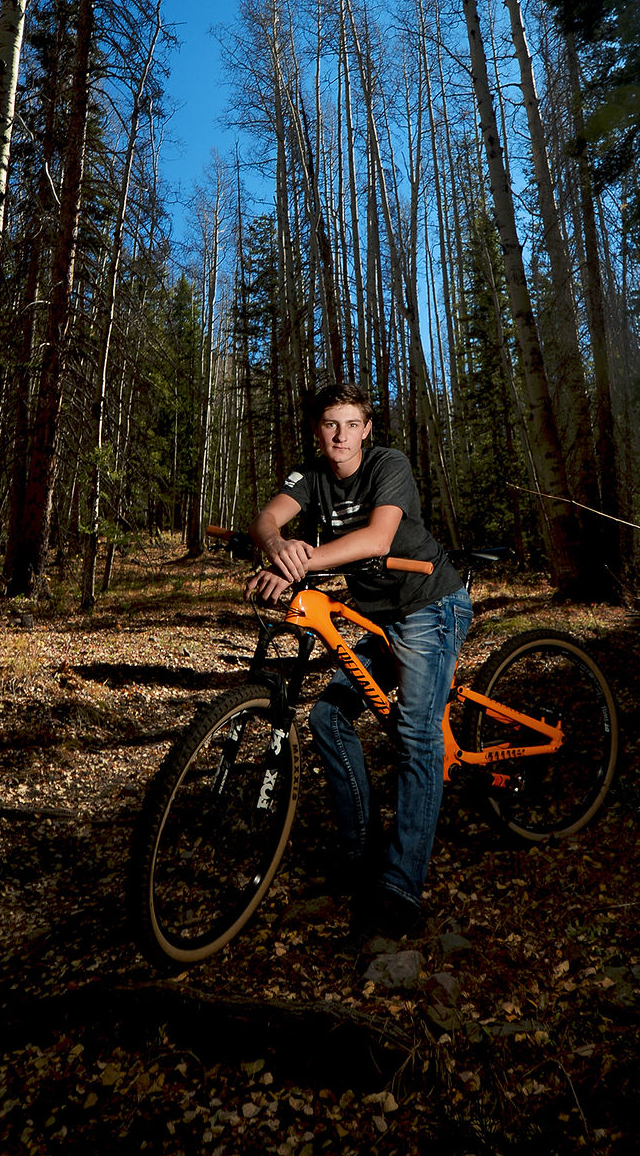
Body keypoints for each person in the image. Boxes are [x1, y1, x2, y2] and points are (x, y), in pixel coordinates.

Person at [246, 382, 472, 941]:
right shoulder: (310, 476)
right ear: (317, 431)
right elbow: (267, 519)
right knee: (327, 718)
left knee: (417, 737)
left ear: (366, 429)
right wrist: (279, 547)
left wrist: (301, 562)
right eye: (330, 425)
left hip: (428, 605)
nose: (341, 435)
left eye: (351, 424)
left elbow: (377, 537)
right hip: (376, 617)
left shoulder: (388, 464)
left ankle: (399, 889)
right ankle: (361, 851)